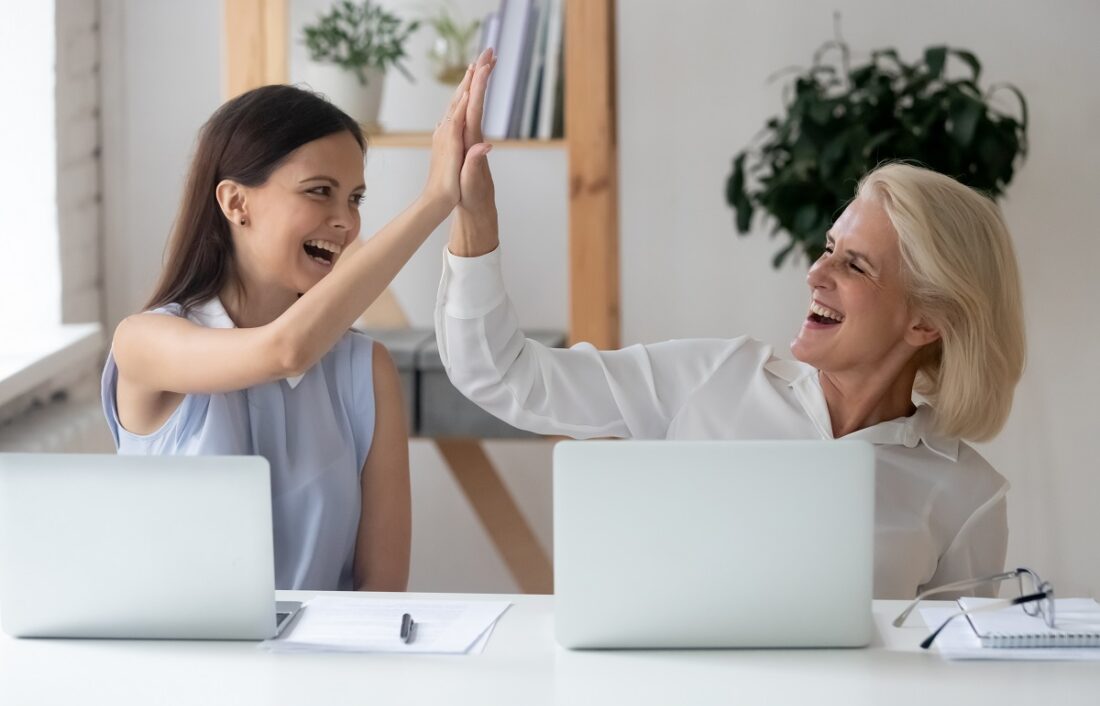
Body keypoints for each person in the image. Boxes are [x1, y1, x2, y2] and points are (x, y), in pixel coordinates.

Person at [436, 159, 1026, 599]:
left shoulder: (968, 494)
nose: (815, 273)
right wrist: (475, 221)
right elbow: (502, 373)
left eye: (855, 264)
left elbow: (952, 685)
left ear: (925, 321)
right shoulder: (713, 378)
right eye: (828, 249)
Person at [101, 51, 497, 592]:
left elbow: (380, 590)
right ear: (236, 202)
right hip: (181, 673)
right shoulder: (144, 344)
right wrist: (434, 199)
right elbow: (285, 351)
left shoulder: (364, 370)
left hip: (325, 673)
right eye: (319, 191)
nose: (346, 221)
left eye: (354, 198)